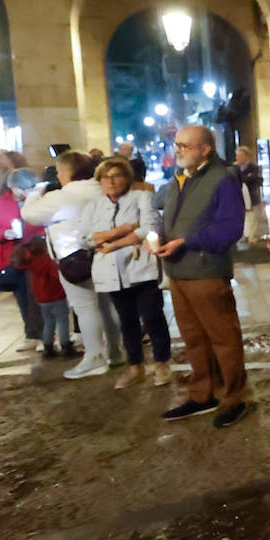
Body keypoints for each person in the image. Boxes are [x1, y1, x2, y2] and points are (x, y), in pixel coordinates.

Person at [154, 125, 249, 427]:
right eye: (176, 144)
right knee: (194, 339)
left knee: (224, 338)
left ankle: (234, 398)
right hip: (179, 273)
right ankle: (202, 394)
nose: (177, 150)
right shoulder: (180, 178)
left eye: (184, 145)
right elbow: (169, 217)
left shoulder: (223, 178)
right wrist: (157, 235)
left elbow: (230, 229)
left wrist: (188, 242)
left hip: (206, 271)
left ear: (205, 149)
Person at [21, 149, 125, 379]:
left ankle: (95, 357)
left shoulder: (64, 196)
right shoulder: (100, 189)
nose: (57, 176)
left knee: (85, 307)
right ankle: (115, 352)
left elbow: (29, 214)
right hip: (106, 253)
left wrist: (35, 191)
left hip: (75, 258)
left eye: (58, 171)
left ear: (67, 171)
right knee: (108, 306)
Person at [82, 157, 172, 389]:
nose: (111, 181)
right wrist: (125, 228)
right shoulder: (93, 206)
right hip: (111, 274)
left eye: (116, 176)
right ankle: (135, 366)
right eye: (105, 177)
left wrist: (110, 243)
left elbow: (150, 228)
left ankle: (162, 361)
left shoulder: (141, 197)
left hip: (140, 268)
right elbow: (85, 238)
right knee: (127, 321)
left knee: (152, 316)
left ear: (127, 178)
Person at [0, 167, 45, 350]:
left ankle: (43, 335)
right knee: (21, 296)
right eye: (23, 189)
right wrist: (3, 233)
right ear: (12, 187)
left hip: (35, 254)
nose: (26, 193)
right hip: (11, 257)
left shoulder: (37, 201)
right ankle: (31, 335)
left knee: (37, 294)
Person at [12, 237, 73, 359]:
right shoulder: (48, 261)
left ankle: (48, 347)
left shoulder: (30, 263)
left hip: (42, 299)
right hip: (56, 296)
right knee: (62, 321)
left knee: (48, 323)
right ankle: (66, 346)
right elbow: (56, 277)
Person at [234, 145, 269, 244]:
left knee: (252, 216)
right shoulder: (235, 168)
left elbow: (251, 179)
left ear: (246, 156)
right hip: (240, 197)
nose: (238, 158)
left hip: (251, 195)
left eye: (240, 155)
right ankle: (245, 234)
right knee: (244, 217)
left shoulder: (253, 167)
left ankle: (252, 236)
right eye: (237, 156)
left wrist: (245, 177)